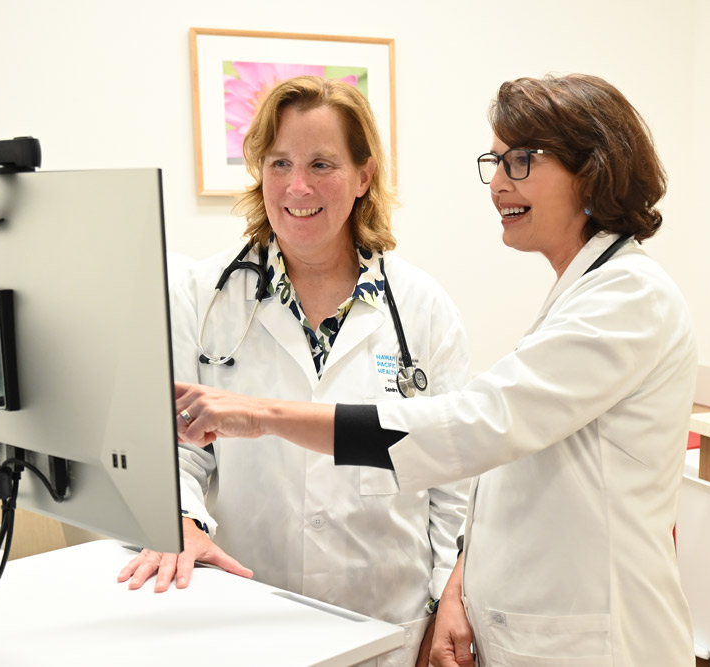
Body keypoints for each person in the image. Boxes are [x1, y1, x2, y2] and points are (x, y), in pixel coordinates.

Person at [173, 73, 699, 667]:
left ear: (593, 170)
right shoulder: (583, 293)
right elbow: (495, 465)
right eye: (496, 162)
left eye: (520, 161)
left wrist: (262, 414)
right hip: (254, 606)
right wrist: (460, 586)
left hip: (583, 637)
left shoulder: (626, 298)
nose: (498, 184)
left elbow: (472, 431)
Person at [118, 76, 471, 667]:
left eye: (322, 164)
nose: (297, 186)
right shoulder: (203, 296)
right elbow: (175, 446)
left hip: (387, 617)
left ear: (365, 175)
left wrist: (446, 600)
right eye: (279, 162)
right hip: (249, 606)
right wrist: (181, 518)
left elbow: (456, 475)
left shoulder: (423, 308)